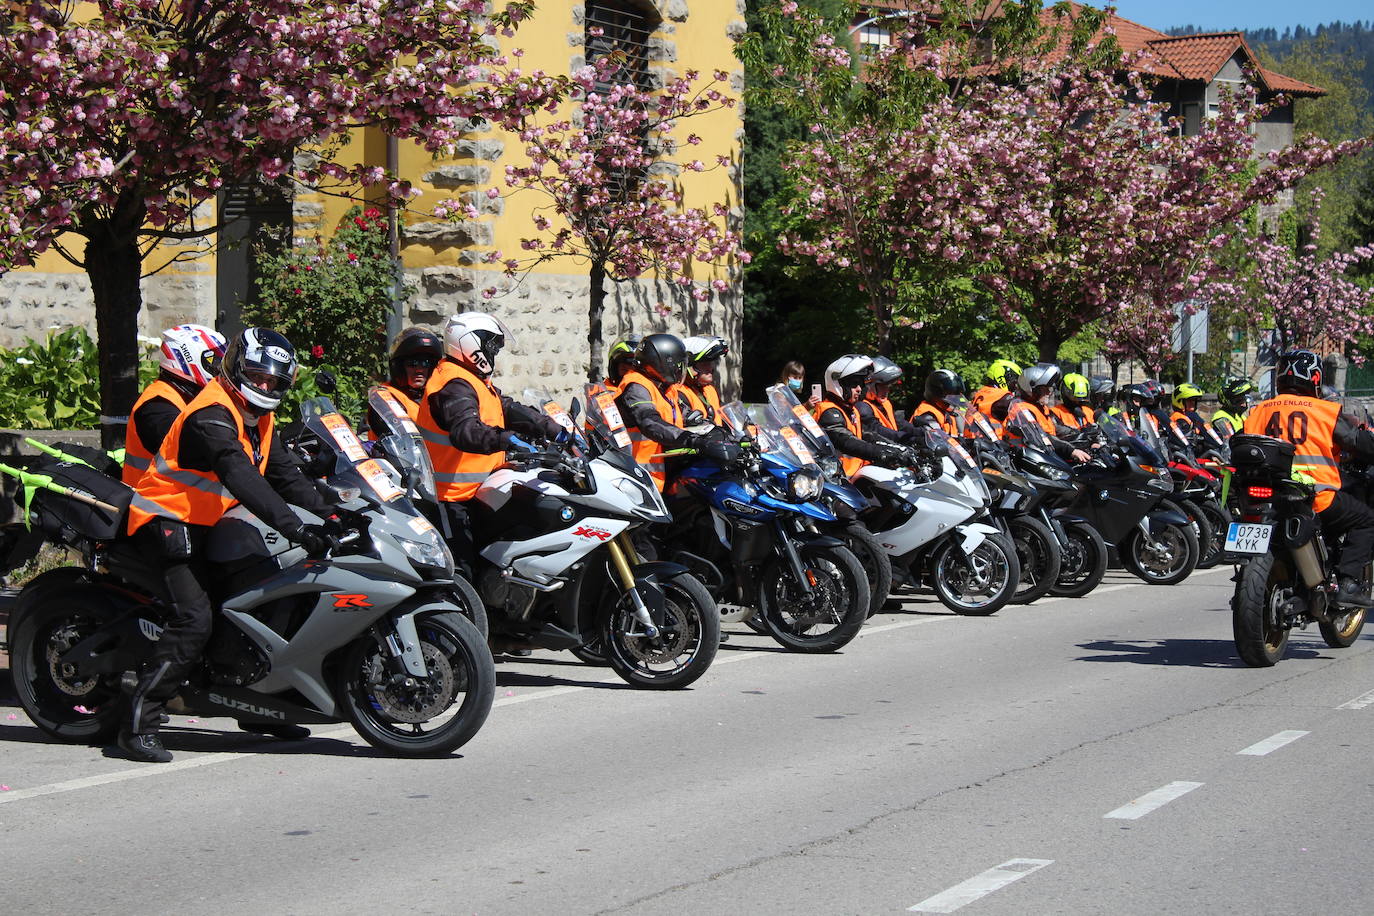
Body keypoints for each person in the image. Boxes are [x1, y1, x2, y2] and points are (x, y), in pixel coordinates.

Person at [121, 328, 337, 762]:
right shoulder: (211, 412)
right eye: (258, 377)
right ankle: (138, 722)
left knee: (265, 595)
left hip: (214, 521)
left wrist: (337, 510)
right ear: (239, 370)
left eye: (274, 382)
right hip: (167, 520)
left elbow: (284, 475)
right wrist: (295, 527)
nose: (265, 387)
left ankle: (260, 705)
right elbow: (240, 474)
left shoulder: (259, 417)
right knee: (195, 620)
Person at [415, 312, 565, 578]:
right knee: (462, 573)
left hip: (480, 490)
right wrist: (506, 439)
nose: (493, 351)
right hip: (451, 498)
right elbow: (465, 430)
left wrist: (553, 429)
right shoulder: (452, 385)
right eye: (491, 344)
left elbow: (506, 407)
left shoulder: (472, 379)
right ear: (470, 344)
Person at [1245, 350, 1374, 599]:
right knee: (1367, 520)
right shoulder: (1325, 411)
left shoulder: (1259, 410)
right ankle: (1347, 583)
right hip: (1314, 495)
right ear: (1315, 379)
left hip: (1266, 493)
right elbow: (1359, 443)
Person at [618, 333, 737, 491]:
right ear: (660, 363)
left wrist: (724, 437)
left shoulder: (665, 388)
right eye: (677, 364)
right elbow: (650, 422)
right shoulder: (636, 387)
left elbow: (688, 417)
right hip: (637, 477)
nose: (680, 369)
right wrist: (691, 440)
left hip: (663, 475)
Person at [123, 324, 228, 487]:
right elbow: (196, 449)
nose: (219, 368)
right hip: (151, 505)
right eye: (212, 359)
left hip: (180, 503)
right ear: (187, 358)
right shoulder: (157, 406)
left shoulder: (190, 396)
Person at [812, 355, 911, 477]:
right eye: (854, 384)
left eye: (860, 384)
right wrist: (882, 454)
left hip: (855, 476)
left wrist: (900, 449)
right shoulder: (830, 412)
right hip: (839, 480)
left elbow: (868, 435)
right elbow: (847, 441)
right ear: (838, 384)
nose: (859, 389)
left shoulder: (850, 410)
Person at [1003, 364, 1091, 463]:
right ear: (1032, 389)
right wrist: (1070, 450)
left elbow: (1054, 429)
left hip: (1044, 456)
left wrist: (1080, 434)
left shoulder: (1040, 408)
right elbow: (1040, 437)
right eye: (1045, 389)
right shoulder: (1021, 409)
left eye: (1049, 389)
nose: (1049, 392)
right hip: (1027, 460)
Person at [366, 327, 443, 439]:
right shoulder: (384, 395)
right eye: (412, 363)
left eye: (425, 363)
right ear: (399, 367)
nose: (419, 370)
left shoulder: (434, 396)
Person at [671, 335, 728, 426]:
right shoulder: (678, 393)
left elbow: (726, 413)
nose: (710, 368)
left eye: (710, 363)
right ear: (688, 365)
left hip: (718, 439)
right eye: (704, 364)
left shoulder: (709, 389)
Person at [912, 368, 967, 438]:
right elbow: (936, 439)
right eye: (950, 393)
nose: (954, 397)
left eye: (955, 393)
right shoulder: (927, 413)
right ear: (936, 391)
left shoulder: (949, 411)